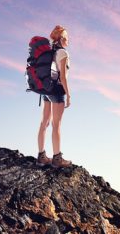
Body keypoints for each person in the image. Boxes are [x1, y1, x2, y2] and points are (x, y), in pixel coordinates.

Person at [37, 25, 72, 168]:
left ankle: (41, 156)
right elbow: (63, 77)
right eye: (68, 38)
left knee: (44, 122)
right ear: (62, 39)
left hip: (46, 89)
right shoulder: (63, 53)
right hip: (57, 91)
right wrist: (68, 94)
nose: (68, 41)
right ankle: (57, 159)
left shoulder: (50, 52)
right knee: (56, 125)